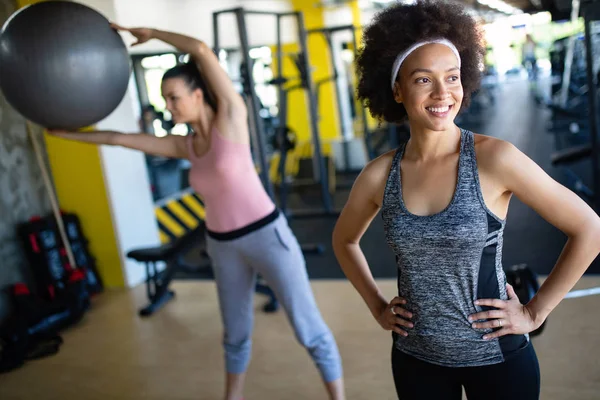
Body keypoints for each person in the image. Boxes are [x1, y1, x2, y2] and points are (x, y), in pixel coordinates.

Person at [48, 24, 345, 400]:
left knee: (307, 329)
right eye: (166, 100)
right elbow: (118, 139)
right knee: (235, 334)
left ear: (198, 93)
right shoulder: (184, 145)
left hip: (266, 236)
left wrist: (152, 34)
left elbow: (201, 49)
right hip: (222, 246)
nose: (168, 107)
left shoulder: (232, 119)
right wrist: (64, 133)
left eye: (173, 97)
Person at [331, 1, 600, 399]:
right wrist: (376, 306)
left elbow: (589, 228)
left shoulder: (495, 159)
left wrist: (533, 312)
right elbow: (344, 241)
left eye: (452, 77)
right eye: (424, 79)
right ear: (397, 89)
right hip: (415, 358)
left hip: (497, 359)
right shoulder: (379, 175)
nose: (443, 92)